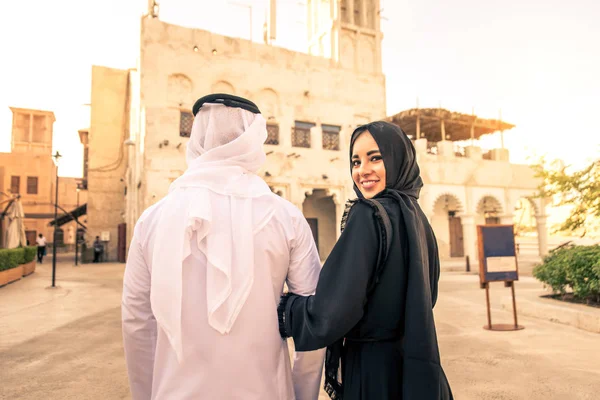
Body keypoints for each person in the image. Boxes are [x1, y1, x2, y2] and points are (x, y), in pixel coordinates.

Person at [121, 94, 325, 400]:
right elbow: (313, 318)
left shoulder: (152, 220)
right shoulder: (288, 219)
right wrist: (301, 394)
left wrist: (147, 393)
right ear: (255, 139)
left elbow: (136, 321)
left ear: (198, 138)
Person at [278, 121, 453, 400]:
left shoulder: (368, 214)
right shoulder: (416, 217)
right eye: (356, 161)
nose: (362, 171)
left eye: (375, 158)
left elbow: (335, 309)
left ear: (397, 159)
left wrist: (288, 309)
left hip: (374, 371)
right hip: (412, 362)